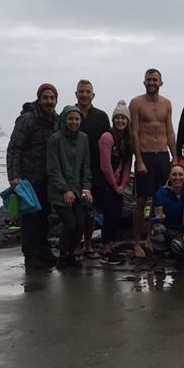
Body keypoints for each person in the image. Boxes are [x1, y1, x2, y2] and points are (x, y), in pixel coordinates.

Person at [6, 83, 59, 270]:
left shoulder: (56, 120)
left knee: (44, 215)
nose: (49, 101)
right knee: (30, 218)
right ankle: (31, 256)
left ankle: (43, 251)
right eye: (45, 98)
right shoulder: (27, 119)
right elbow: (14, 149)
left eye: (52, 98)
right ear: (39, 99)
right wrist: (14, 177)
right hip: (28, 179)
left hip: (48, 178)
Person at [129, 68, 175, 259]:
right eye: (149, 80)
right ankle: (136, 242)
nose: (152, 83)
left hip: (162, 155)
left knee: (159, 200)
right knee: (141, 200)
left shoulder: (166, 103)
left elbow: (169, 131)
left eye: (155, 80)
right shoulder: (136, 103)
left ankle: (150, 238)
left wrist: (175, 157)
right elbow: (134, 133)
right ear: (144, 82)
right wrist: (139, 160)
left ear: (161, 83)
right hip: (146, 155)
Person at [46, 105, 92, 269]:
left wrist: (86, 188)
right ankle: (63, 256)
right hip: (59, 192)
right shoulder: (55, 139)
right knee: (70, 224)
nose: (74, 122)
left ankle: (71, 254)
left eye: (77, 119)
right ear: (64, 120)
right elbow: (53, 169)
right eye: (70, 118)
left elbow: (86, 166)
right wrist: (65, 190)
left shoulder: (84, 138)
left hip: (78, 190)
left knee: (80, 224)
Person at [75, 79, 112, 259]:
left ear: (93, 95)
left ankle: (88, 246)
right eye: (81, 91)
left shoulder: (101, 116)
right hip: (74, 170)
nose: (84, 95)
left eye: (87, 92)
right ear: (76, 94)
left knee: (91, 210)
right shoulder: (69, 114)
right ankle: (75, 245)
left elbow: (110, 143)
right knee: (76, 209)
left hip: (97, 169)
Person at [95, 100, 133, 263]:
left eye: (123, 118)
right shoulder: (107, 137)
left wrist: (123, 184)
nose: (120, 121)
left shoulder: (127, 140)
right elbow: (105, 165)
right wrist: (114, 185)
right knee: (109, 213)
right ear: (113, 119)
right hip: (104, 183)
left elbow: (127, 164)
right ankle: (105, 245)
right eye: (117, 118)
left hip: (118, 184)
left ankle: (111, 243)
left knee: (117, 214)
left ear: (127, 121)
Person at [150, 160, 184, 272]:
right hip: (168, 231)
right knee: (157, 228)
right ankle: (159, 260)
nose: (177, 178)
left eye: (180, 174)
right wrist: (159, 218)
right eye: (174, 174)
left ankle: (180, 258)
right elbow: (155, 216)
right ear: (169, 176)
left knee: (179, 246)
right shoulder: (160, 193)